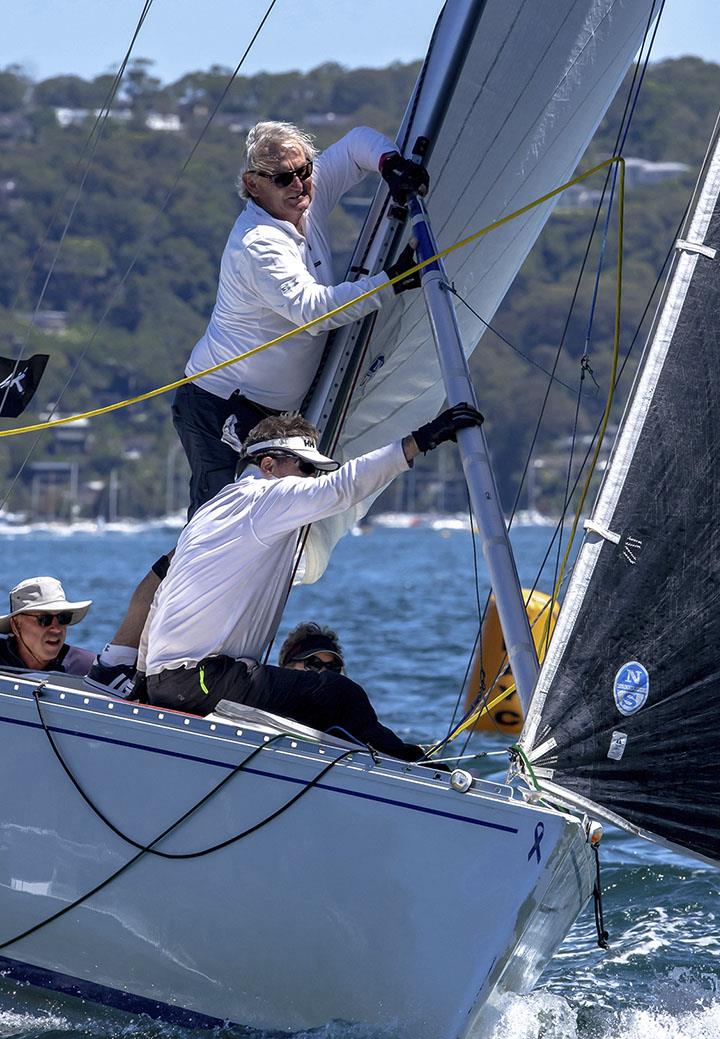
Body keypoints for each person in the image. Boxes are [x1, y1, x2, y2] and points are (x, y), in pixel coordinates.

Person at [87, 122, 427, 695]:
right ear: (252, 185)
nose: (299, 185)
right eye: (281, 178)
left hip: (272, 422)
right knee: (203, 546)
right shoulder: (258, 242)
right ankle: (129, 664)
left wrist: (390, 163)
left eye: (303, 172)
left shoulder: (305, 197)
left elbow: (354, 145)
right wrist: (395, 281)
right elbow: (312, 310)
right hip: (221, 406)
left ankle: (174, 664)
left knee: (230, 545)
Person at [143, 403, 483, 759]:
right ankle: (412, 770)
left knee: (314, 698)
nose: (311, 480)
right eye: (305, 468)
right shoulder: (263, 498)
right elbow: (344, 487)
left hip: (167, 681)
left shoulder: (210, 512)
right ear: (268, 465)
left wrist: (143, 681)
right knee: (341, 695)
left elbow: (160, 600)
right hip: (202, 679)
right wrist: (421, 440)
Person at [277, 621, 423, 759]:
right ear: (287, 667)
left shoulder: (350, 715)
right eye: (314, 664)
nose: (324, 673)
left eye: (332, 667)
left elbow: (384, 742)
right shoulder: (266, 708)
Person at [0, 577, 95, 675]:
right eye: (44, 619)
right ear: (16, 625)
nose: (57, 629)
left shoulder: (87, 669)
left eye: (63, 617)